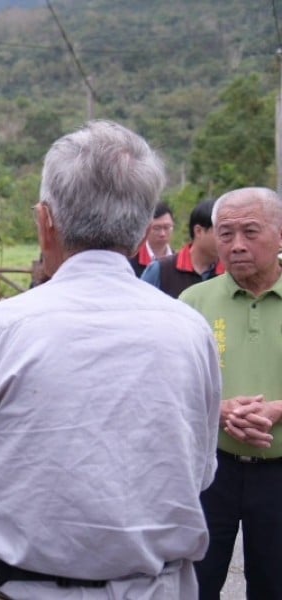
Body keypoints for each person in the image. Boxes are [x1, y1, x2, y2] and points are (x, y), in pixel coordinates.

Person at [0, 120, 221, 599]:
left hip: (17, 587)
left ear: (45, 221)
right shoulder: (190, 330)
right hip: (156, 586)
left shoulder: (0, 329)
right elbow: (201, 470)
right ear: (145, 226)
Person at [179, 187, 282, 599]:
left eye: (250, 231)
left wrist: (277, 409)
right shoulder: (192, 302)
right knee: (196, 583)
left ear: (279, 233)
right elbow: (172, 387)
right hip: (209, 472)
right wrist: (218, 410)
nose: (236, 245)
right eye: (225, 234)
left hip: (278, 473)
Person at [141, 198, 224, 297]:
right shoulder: (161, 270)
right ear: (198, 231)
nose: (227, 240)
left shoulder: (230, 273)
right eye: (222, 233)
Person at [129, 200, 175, 276]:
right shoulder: (132, 260)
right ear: (146, 228)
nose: (162, 234)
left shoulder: (177, 261)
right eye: (157, 228)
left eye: (167, 227)